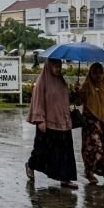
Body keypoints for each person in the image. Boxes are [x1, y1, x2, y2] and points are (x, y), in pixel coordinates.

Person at [26, 59, 78, 189]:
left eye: (59, 65)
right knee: (42, 151)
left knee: (65, 153)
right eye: (55, 65)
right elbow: (37, 101)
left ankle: (65, 179)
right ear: (49, 66)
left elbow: (66, 100)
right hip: (47, 123)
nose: (58, 68)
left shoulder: (61, 81)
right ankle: (31, 165)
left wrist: (75, 93)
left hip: (63, 122)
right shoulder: (42, 82)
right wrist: (40, 120)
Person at [75, 62, 104, 184]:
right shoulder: (86, 86)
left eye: (100, 73)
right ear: (90, 73)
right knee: (94, 147)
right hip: (91, 123)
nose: (98, 76)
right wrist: (77, 93)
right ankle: (89, 172)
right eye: (95, 73)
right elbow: (78, 103)